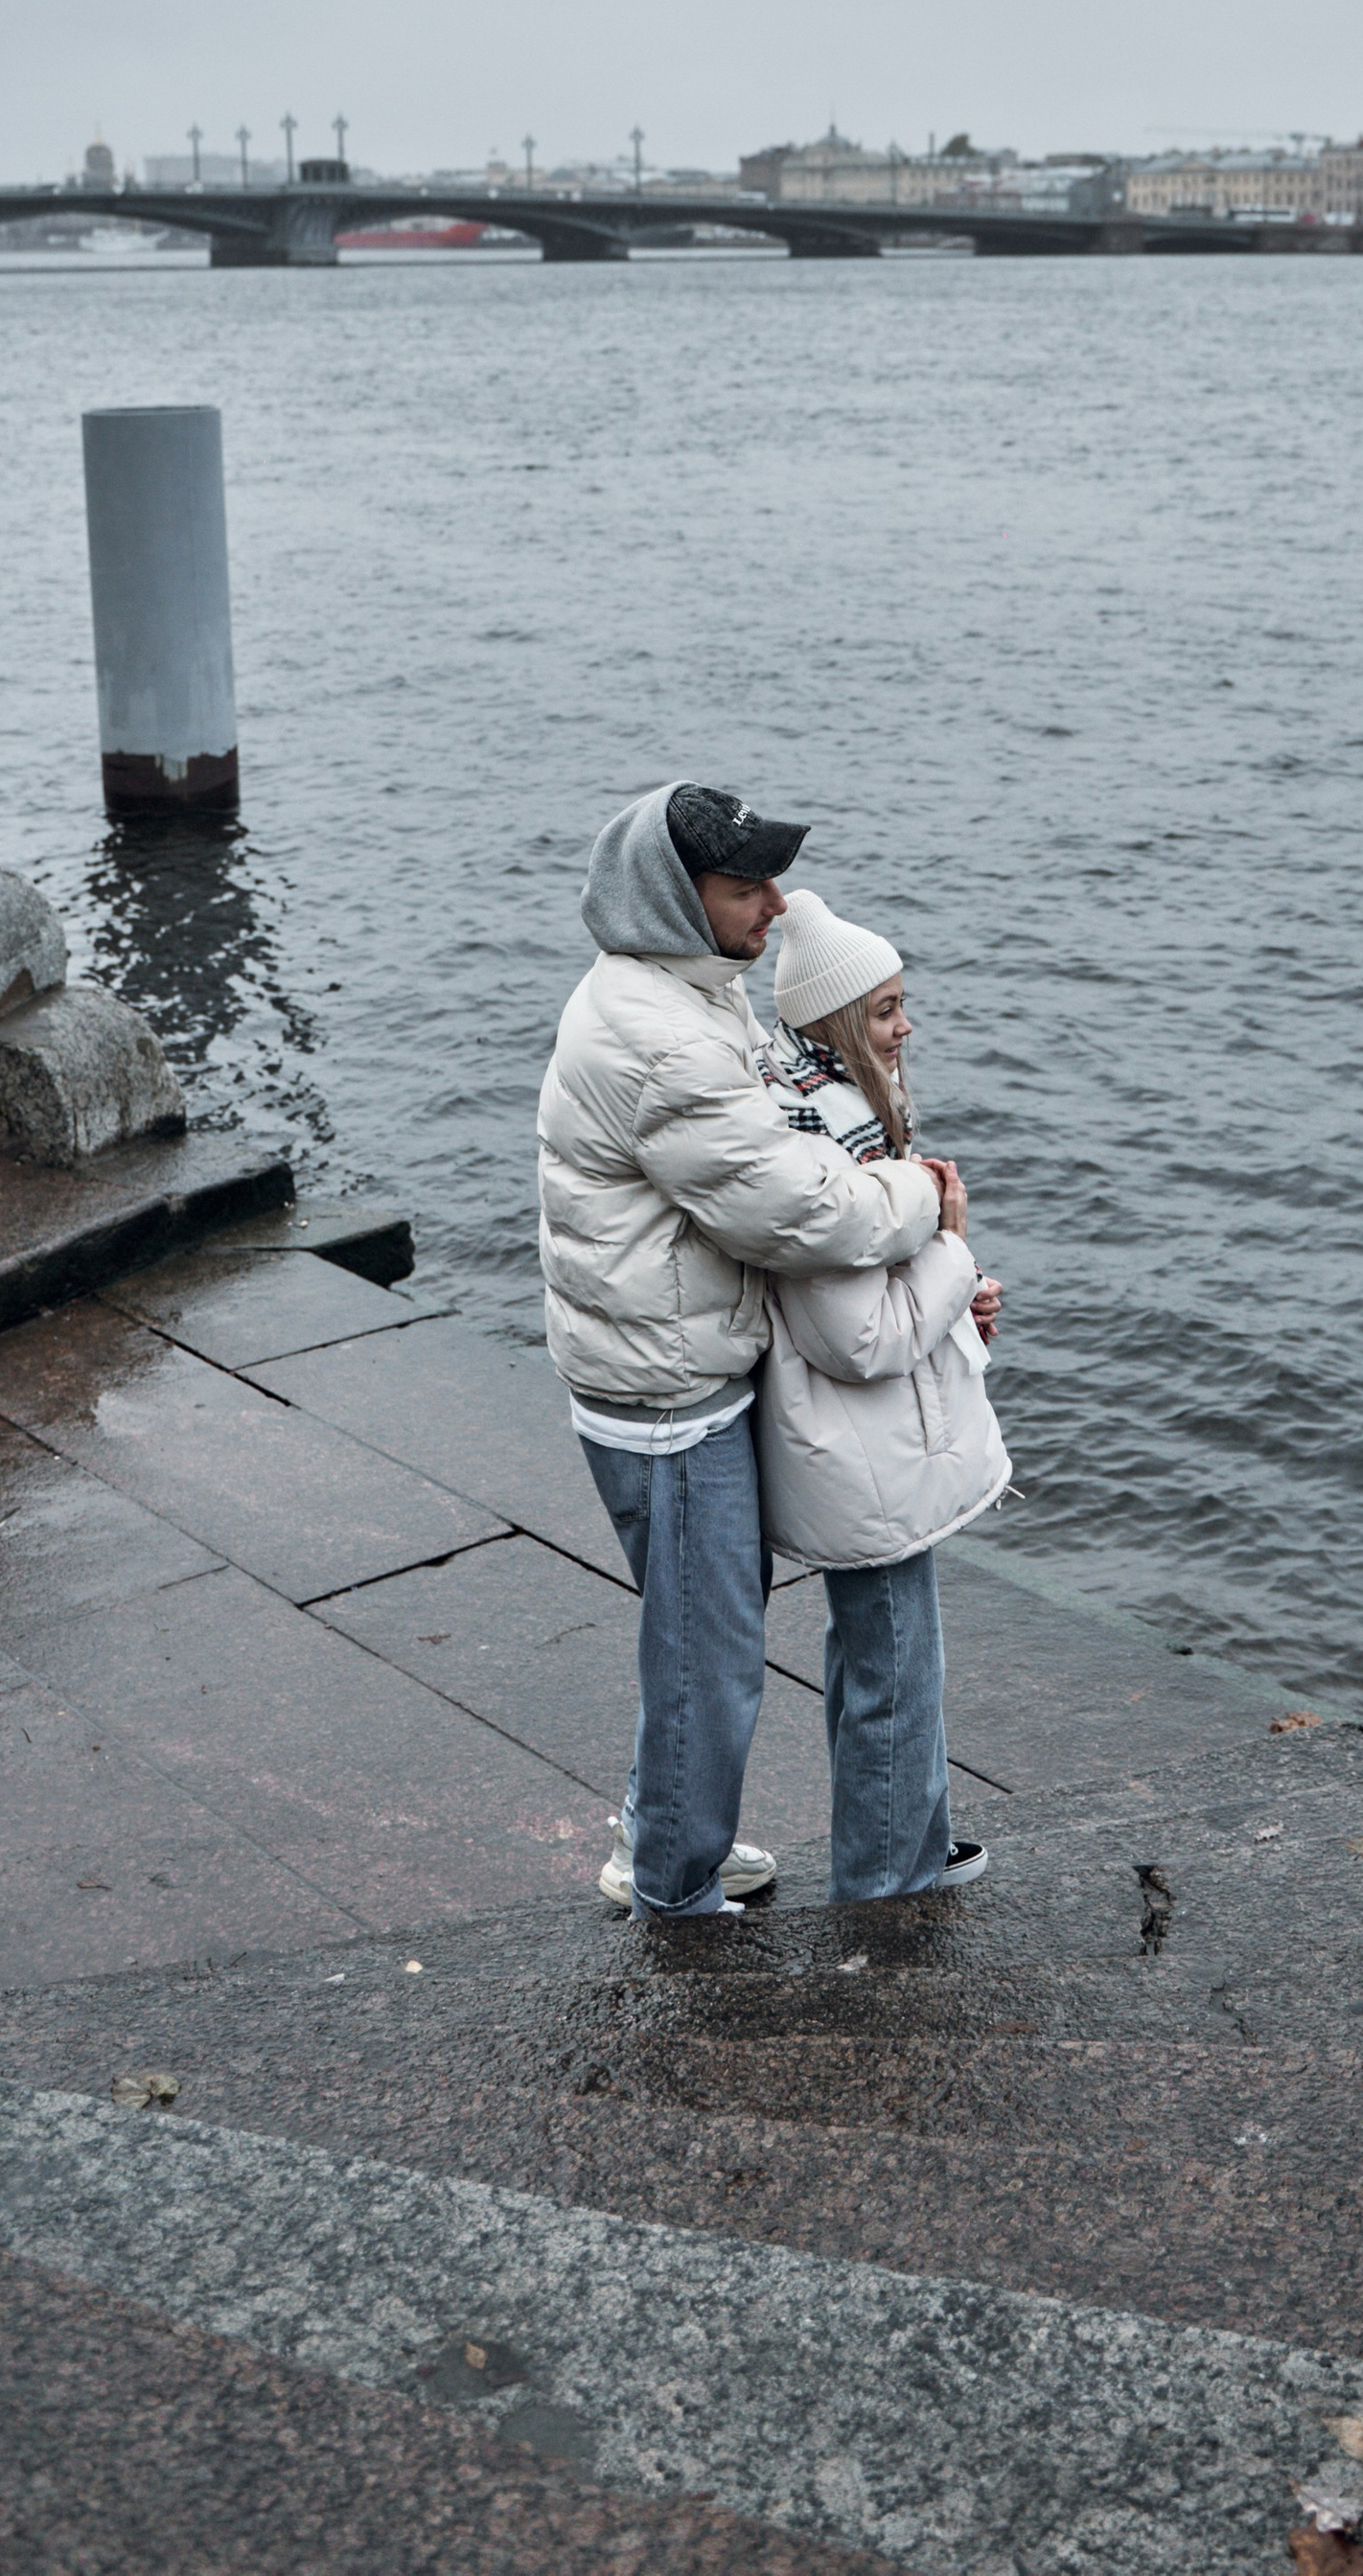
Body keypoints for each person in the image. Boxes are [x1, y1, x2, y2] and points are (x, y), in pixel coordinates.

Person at [538, 782, 943, 1920]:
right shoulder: (663, 1036)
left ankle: (664, 1836)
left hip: (660, 1366)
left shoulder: (678, 992)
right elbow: (803, 1212)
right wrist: (922, 1196)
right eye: (743, 885)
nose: (775, 903)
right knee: (705, 1664)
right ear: (676, 897)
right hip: (668, 1400)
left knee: (697, 1645)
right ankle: (671, 1885)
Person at [756, 886, 1011, 1901]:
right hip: (864, 1451)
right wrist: (951, 1248)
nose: (905, 1025)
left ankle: (910, 1832)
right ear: (832, 1024)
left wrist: (954, 1293)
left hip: (867, 1447)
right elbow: (858, 1337)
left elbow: (886, 1301)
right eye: (882, 1009)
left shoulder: (833, 1117)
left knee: (885, 1657)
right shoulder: (829, 1149)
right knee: (894, 1668)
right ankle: (884, 1877)